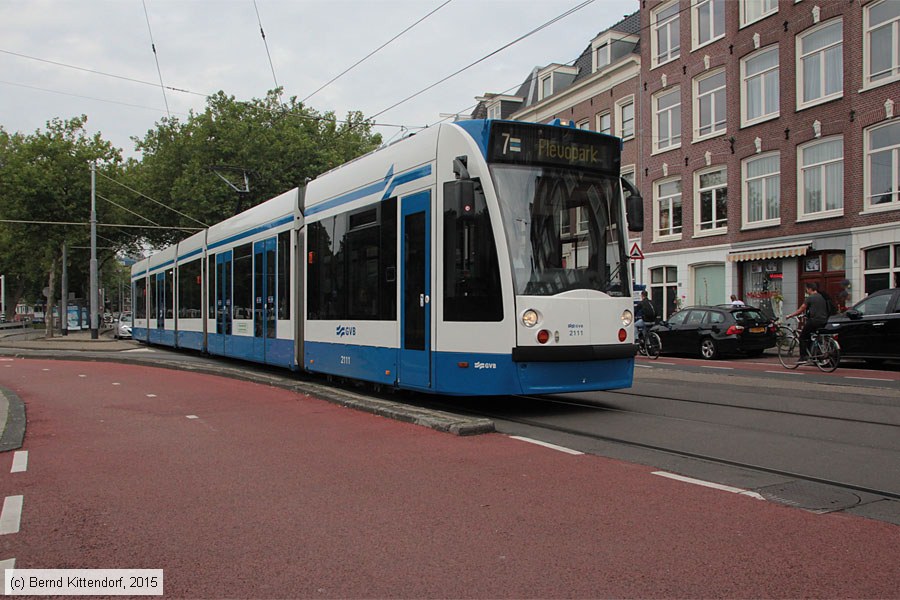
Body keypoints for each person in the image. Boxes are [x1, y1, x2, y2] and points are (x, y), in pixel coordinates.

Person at [786, 282, 829, 364]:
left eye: (807, 289)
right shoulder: (822, 297)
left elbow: (801, 309)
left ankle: (803, 357)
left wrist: (790, 315)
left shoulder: (810, 298)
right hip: (824, 321)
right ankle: (814, 354)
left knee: (802, 337)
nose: (806, 291)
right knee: (810, 336)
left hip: (814, 321)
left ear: (810, 289)